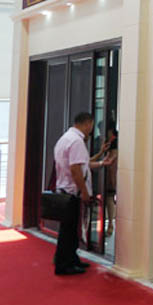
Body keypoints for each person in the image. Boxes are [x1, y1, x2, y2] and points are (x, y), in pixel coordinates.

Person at [52, 112, 113, 275]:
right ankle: (65, 264)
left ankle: (70, 259)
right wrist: (84, 191)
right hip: (73, 192)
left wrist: (101, 161)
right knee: (69, 231)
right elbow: (76, 169)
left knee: (69, 230)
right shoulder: (77, 141)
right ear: (87, 124)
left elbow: (83, 164)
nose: (91, 130)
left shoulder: (65, 138)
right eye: (91, 126)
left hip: (65, 190)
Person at [90, 122, 118, 237]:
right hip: (99, 170)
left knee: (109, 198)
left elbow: (113, 157)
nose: (102, 132)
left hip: (110, 172)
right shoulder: (98, 140)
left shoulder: (116, 141)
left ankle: (110, 223)